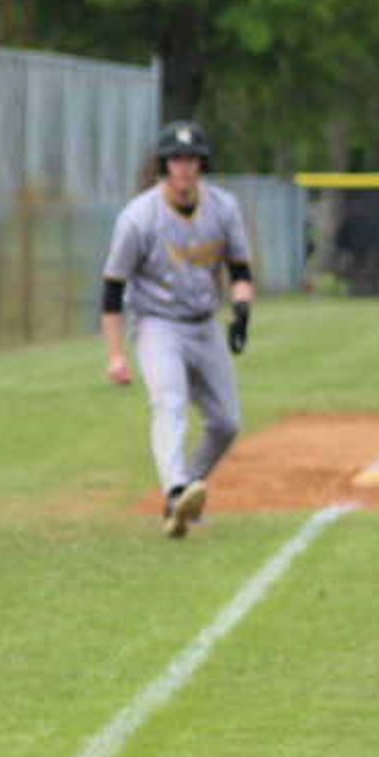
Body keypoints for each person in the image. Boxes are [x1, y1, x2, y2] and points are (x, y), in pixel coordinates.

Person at [101, 120, 255, 538]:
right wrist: (115, 355)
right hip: (157, 324)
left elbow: (239, 269)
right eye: (176, 160)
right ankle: (175, 489)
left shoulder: (223, 208)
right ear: (164, 166)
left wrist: (242, 310)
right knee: (169, 402)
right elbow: (113, 288)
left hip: (204, 323)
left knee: (226, 423)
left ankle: (186, 486)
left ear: (201, 164)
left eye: (191, 159)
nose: (184, 168)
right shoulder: (139, 217)